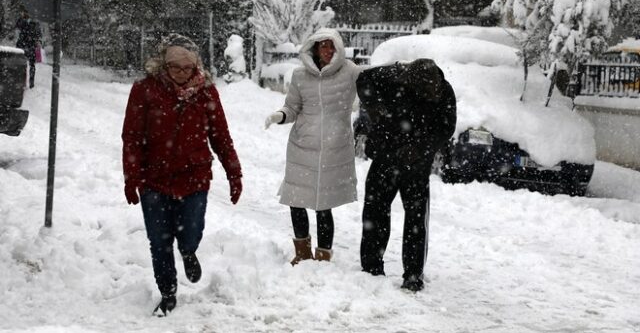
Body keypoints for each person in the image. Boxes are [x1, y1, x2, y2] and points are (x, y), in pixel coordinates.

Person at [121, 33, 243, 316]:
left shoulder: (206, 92)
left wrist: (234, 174)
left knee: (191, 231)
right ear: (164, 65)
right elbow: (132, 137)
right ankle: (168, 293)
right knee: (159, 240)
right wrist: (132, 178)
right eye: (175, 67)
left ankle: (188, 252)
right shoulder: (144, 90)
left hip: (194, 178)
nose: (181, 74)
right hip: (155, 179)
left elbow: (221, 137)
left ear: (195, 67)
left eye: (187, 68)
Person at [356, 58, 456, 292]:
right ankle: (372, 266)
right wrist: (376, 110)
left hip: (417, 164)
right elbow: (363, 80)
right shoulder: (392, 75)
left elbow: (446, 128)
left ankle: (413, 274)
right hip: (386, 156)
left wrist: (420, 148)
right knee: (375, 211)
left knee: (416, 219)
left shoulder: (443, 91)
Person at [265, 28, 360, 265]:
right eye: (322, 46)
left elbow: (375, 82)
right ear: (314, 48)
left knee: (323, 205)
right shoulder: (299, 76)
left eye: (331, 45)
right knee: (296, 200)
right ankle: (302, 253)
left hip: (334, 149)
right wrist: (280, 116)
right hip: (301, 146)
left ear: (338, 48)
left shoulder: (350, 72)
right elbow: (292, 107)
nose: (328, 50)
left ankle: (323, 257)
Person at [15, 10, 42, 88]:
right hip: (28, 47)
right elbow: (39, 35)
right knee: (30, 65)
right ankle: (29, 82)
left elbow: (18, 27)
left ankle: (26, 82)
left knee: (26, 65)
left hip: (25, 47)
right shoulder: (32, 23)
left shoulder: (26, 23)